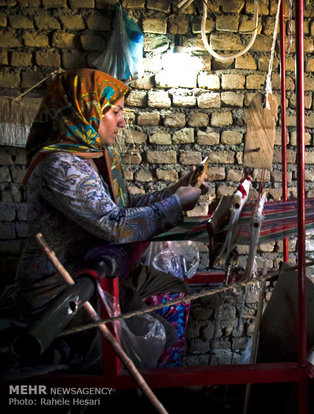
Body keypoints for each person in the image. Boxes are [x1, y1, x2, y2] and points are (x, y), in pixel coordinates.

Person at [14, 68, 208, 367]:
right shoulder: (61, 165)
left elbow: (125, 207)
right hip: (62, 294)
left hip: (94, 276)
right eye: (114, 111)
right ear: (85, 111)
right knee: (162, 334)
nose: (122, 120)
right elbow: (115, 225)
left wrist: (176, 191)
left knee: (172, 297)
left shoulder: (91, 158)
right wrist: (174, 204)